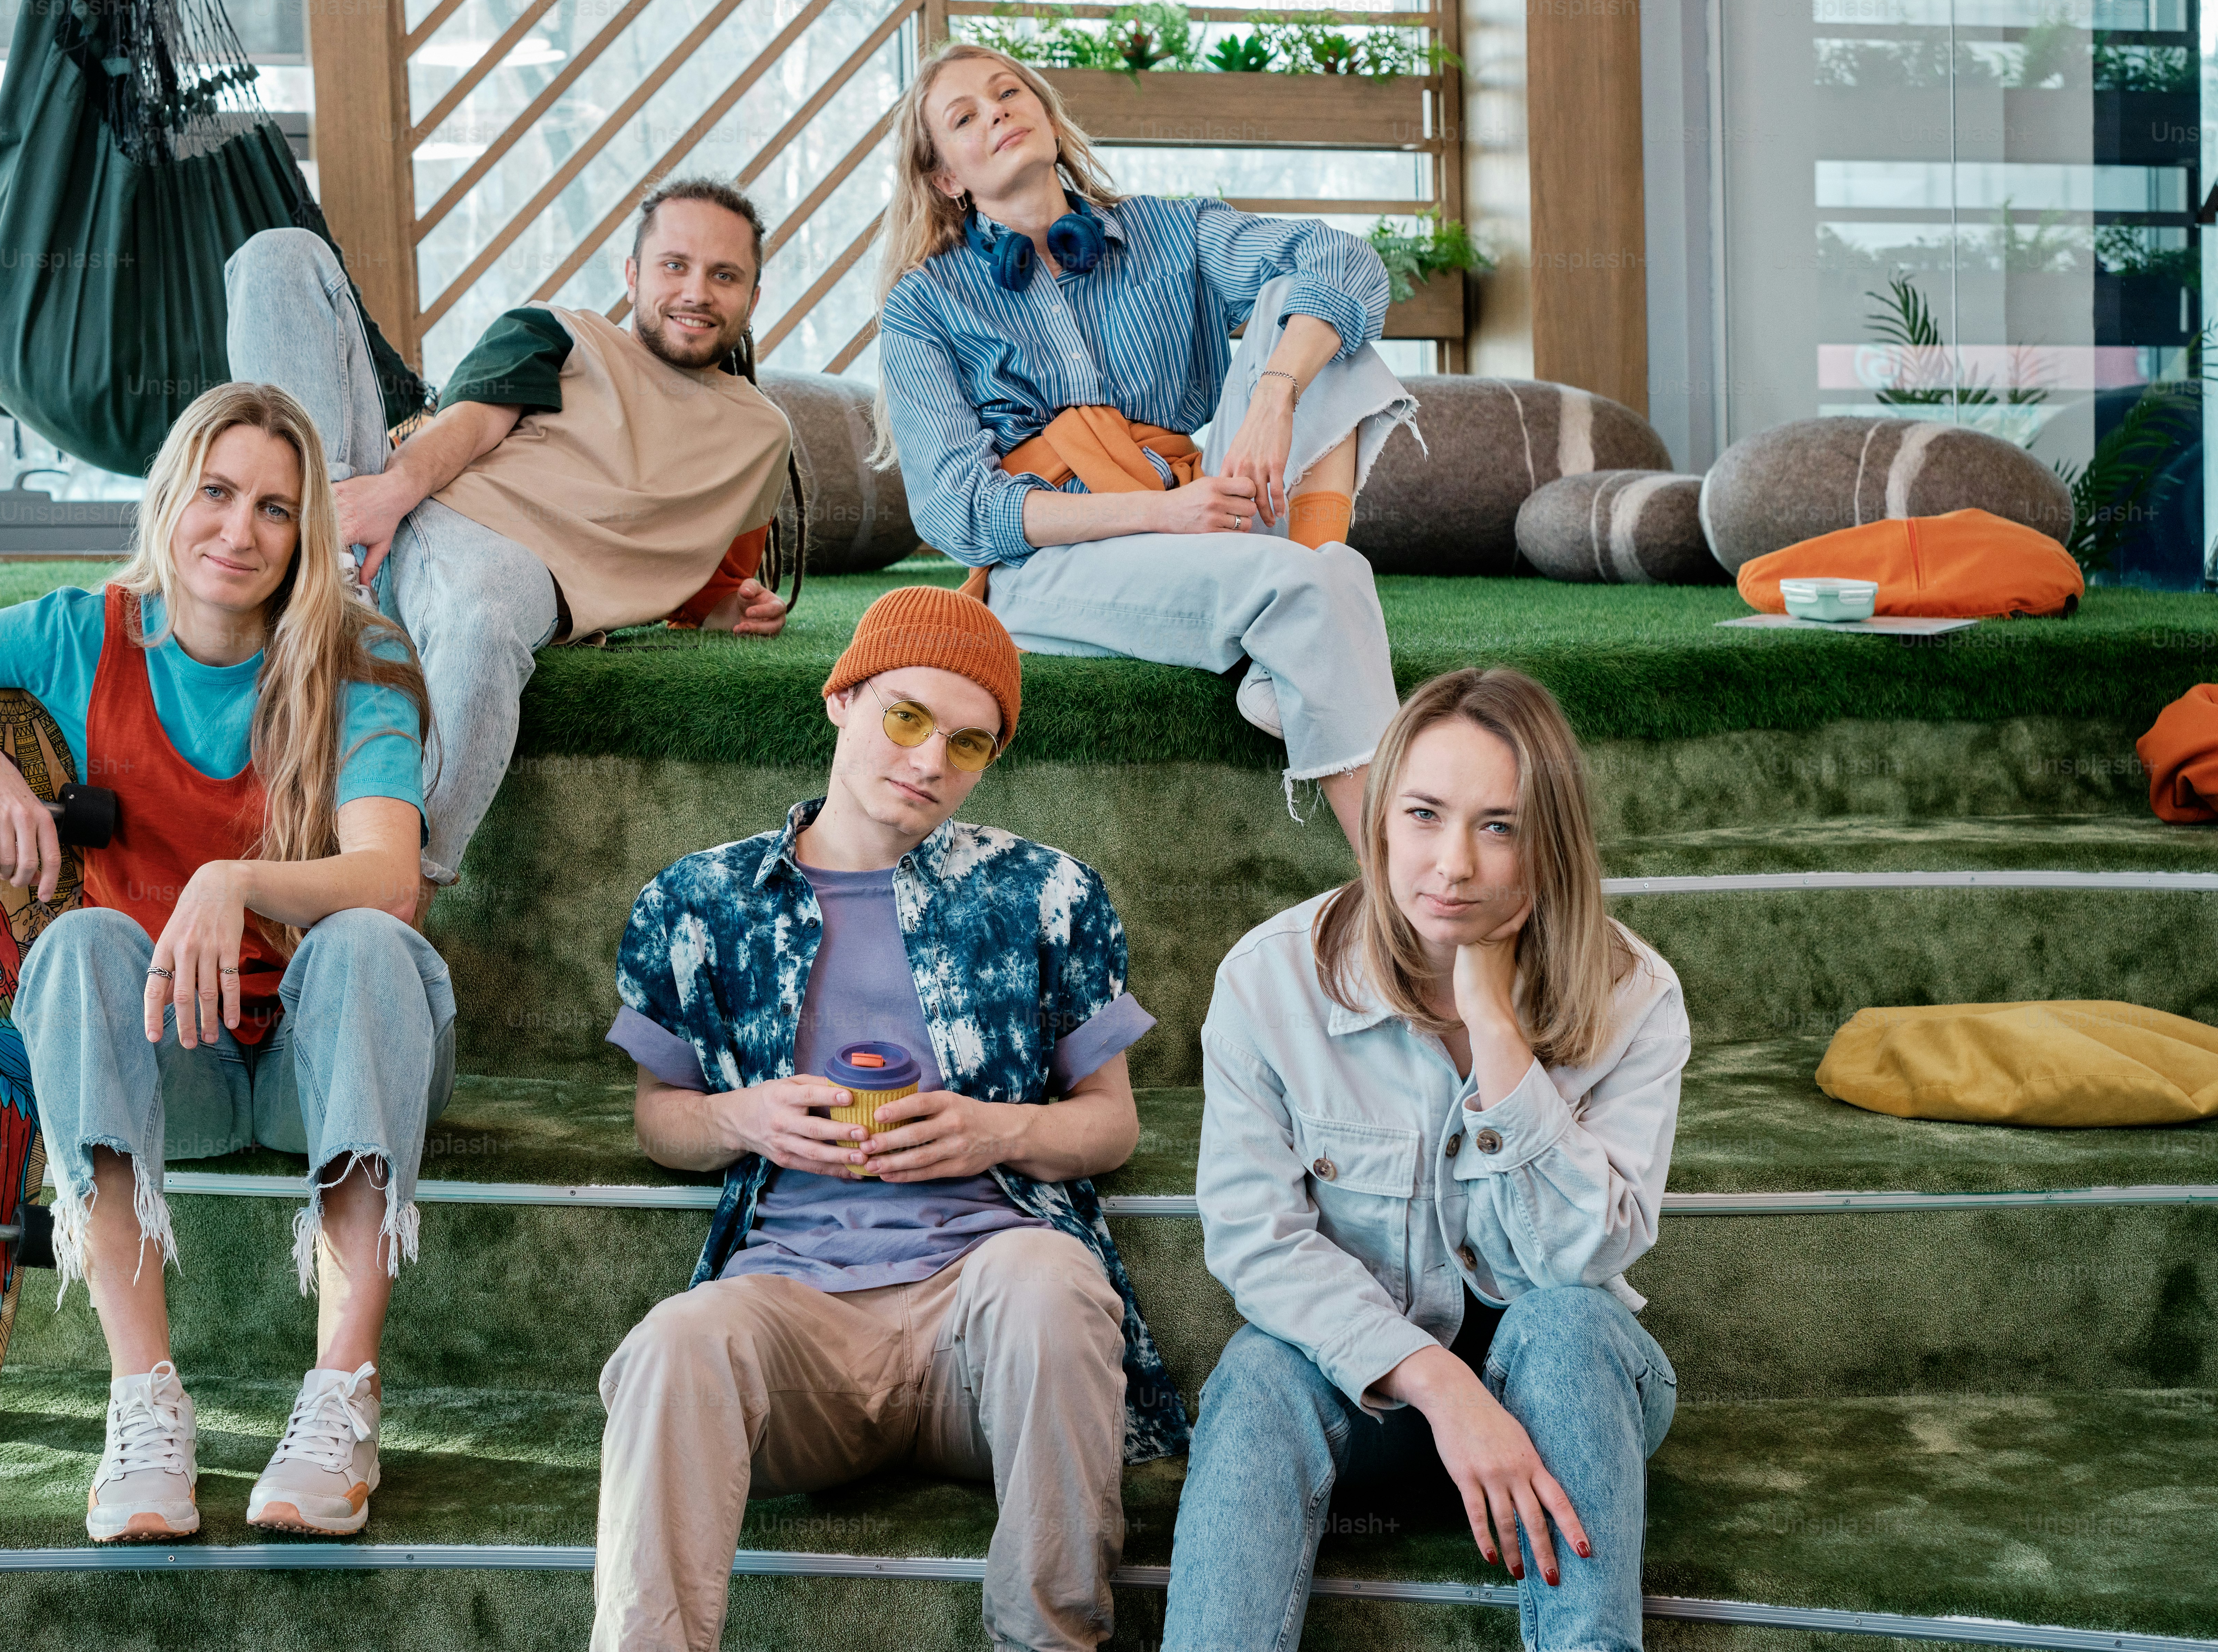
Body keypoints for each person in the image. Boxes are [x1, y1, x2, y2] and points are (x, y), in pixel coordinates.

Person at [0, 383, 454, 1544]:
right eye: (218, 493)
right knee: (83, 941)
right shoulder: (82, 633)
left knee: (369, 941)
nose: (239, 531)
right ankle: (144, 1401)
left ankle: (342, 1393)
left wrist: (232, 881)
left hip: (333, 1058)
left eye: (277, 510)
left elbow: (388, 871)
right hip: (166, 1063)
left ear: (306, 536)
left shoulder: (360, 653)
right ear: (171, 499)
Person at [589, 585, 1187, 1652]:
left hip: (984, 1316)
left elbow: (1110, 1127)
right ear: (842, 698)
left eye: (968, 743)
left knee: (1052, 1279)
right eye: (905, 717)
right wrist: (745, 1116)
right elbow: (659, 1121)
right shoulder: (700, 901)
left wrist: (996, 1130)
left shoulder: (1047, 895)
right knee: (673, 1344)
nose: (928, 763)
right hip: (796, 1316)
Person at [1163, 667, 1689, 1651]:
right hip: (1367, 1401)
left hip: (1568, 1401)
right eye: (1423, 814)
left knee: (1568, 1323)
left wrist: (1497, 1028)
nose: (1452, 864)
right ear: (1379, 822)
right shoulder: (1272, 980)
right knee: (1259, 1366)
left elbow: (1584, 1255)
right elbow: (1256, 1242)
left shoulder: (1633, 996)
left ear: (1552, 842)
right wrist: (1441, 1388)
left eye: (1499, 826)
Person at [873, 44, 1419, 856]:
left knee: (1316, 318)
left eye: (1009, 93)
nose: (996, 112)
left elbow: (1346, 261)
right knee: (1322, 584)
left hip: (1209, 510)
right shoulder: (923, 305)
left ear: (1048, 119)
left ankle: (1294, 608)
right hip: (1053, 565)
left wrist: (1274, 392)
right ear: (948, 178)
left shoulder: (1171, 231)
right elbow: (963, 511)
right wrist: (1164, 512)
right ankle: (1404, 897)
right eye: (963, 117)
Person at [225, 176, 800, 914]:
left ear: (754, 292)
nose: (696, 291)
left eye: (725, 275)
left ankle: (400, 885)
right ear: (632, 274)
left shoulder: (762, 436)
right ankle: (326, 569)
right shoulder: (562, 332)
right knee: (283, 256)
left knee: (487, 612)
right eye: (674, 266)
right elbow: (473, 422)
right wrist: (383, 498)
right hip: (412, 504)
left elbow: (706, 570)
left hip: (514, 571)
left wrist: (725, 608)